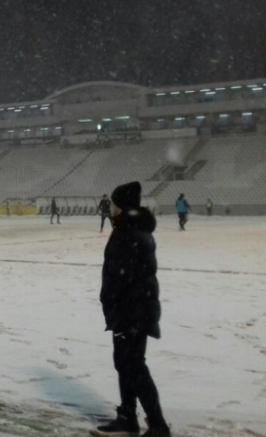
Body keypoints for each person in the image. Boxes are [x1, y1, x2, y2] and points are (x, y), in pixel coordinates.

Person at [95, 181, 169, 437]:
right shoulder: (135, 229)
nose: (111, 207)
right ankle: (127, 416)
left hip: (131, 311)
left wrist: (114, 306)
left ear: (121, 206)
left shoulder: (127, 233)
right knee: (126, 364)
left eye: (114, 203)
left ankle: (157, 425)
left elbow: (120, 278)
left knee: (133, 366)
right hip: (135, 309)